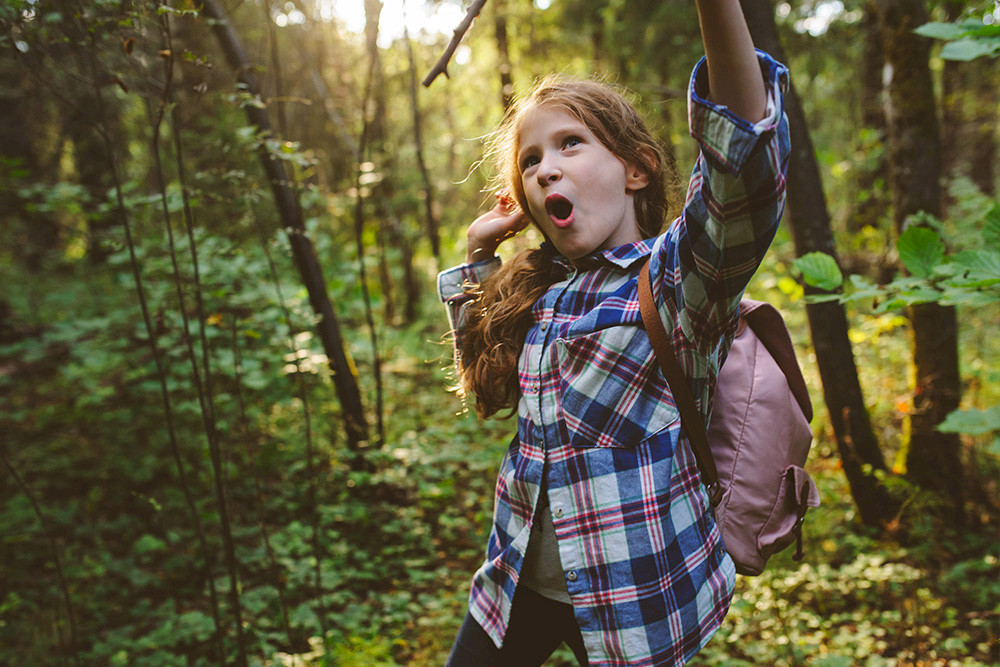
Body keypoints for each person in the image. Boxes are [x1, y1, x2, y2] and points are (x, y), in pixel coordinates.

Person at [437, 1, 790, 664]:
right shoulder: (539, 292)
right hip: (515, 587)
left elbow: (741, 170)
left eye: (570, 143)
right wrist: (477, 257)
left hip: (637, 606)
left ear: (636, 169)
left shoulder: (678, 282)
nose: (545, 168)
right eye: (532, 159)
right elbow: (485, 388)